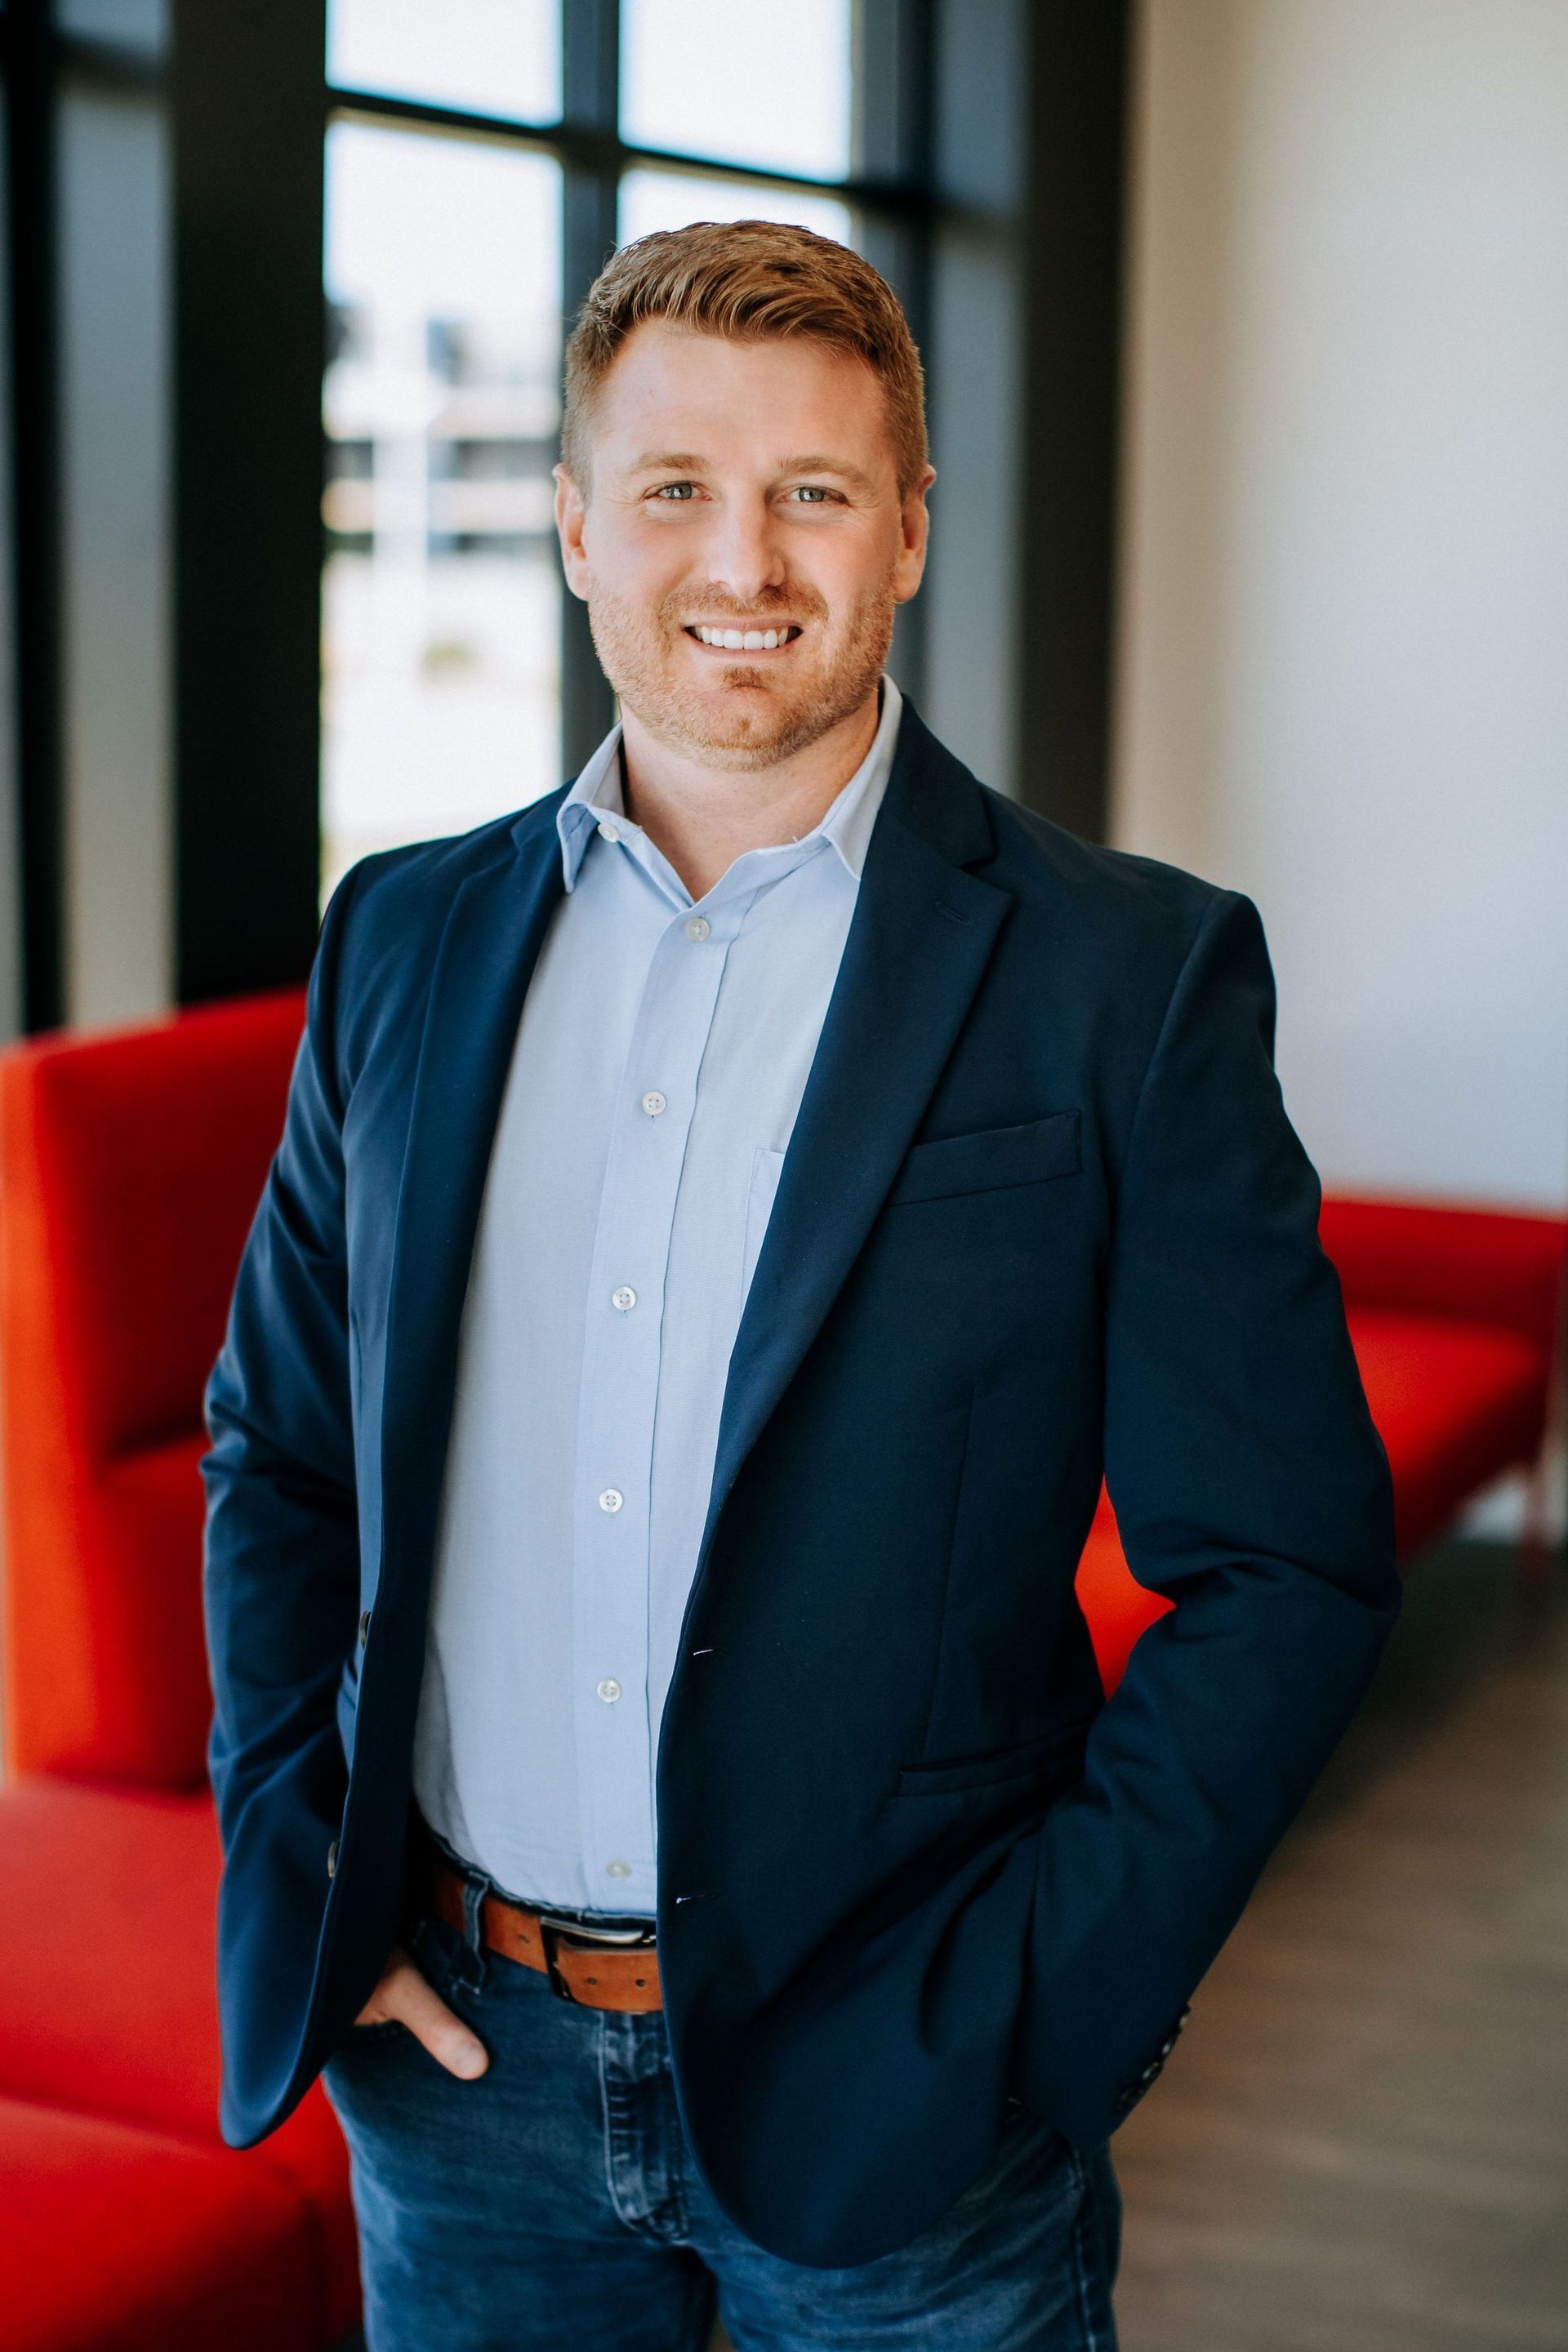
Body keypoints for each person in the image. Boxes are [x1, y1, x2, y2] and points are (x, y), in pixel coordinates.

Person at [201, 220, 1399, 2351]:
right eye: (673, 488)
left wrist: (1040, 2015)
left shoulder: (1127, 976)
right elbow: (280, 1452)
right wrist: (307, 1891)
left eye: (812, 492)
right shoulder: (399, 942)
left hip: (912, 2113)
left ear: (909, 528)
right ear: (575, 525)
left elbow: (1289, 1567)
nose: (739, 558)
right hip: (461, 2095)